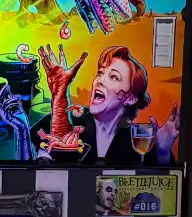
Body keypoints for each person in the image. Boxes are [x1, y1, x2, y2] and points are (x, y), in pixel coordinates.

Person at [36, 42, 179, 165]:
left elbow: (156, 184)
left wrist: (163, 150)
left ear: (130, 98)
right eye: (100, 73)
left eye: (114, 77)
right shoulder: (71, 120)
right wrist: (59, 96)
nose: (100, 80)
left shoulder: (138, 141)